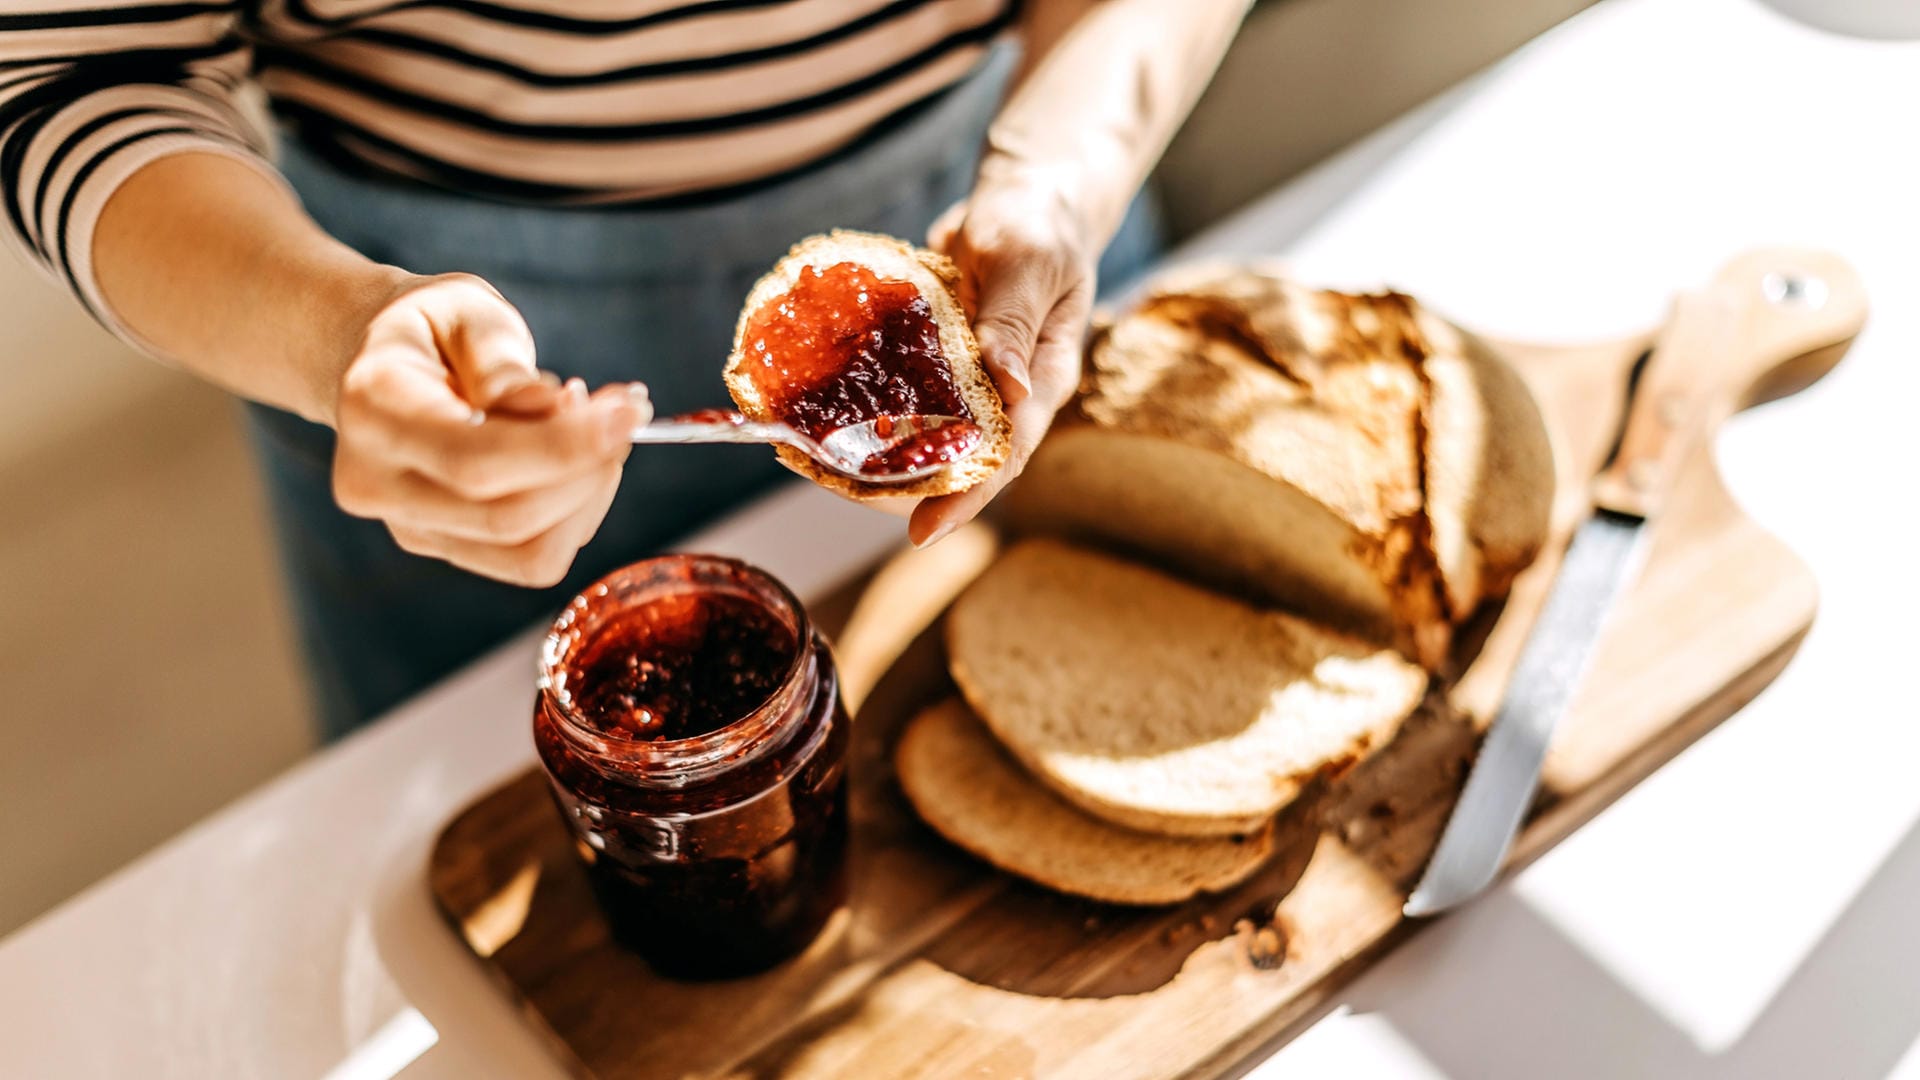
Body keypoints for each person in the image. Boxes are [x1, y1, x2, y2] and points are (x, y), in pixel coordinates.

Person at [1, 0, 1249, 737]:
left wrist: (1059, 176)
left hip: (1006, 248)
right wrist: (339, 335)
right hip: (426, 356)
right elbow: (82, 75)